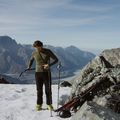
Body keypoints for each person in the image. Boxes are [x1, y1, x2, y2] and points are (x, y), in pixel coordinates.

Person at [28, 40, 58, 111]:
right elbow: (31, 60)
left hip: (46, 73)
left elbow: (56, 60)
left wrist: (49, 65)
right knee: (39, 90)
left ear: (41, 46)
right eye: (35, 48)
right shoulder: (34, 53)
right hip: (37, 73)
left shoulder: (48, 51)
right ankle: (39, 104)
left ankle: (49, 104)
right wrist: (29, 66)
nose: (37, 49)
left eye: (38, 47)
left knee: (48, 90)